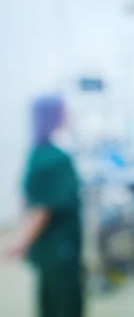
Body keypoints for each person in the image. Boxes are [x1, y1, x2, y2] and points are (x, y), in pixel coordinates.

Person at [8, 95, 84, 317]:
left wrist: (23, 238)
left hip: (48, 246)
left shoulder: (37, 151)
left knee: (48, 295)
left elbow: (29, 201)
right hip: (61, 245)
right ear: (55, 116)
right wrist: (21, 243)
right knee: (66, 301)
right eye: (65, 111)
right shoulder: (57, 159)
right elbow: (42, 212)